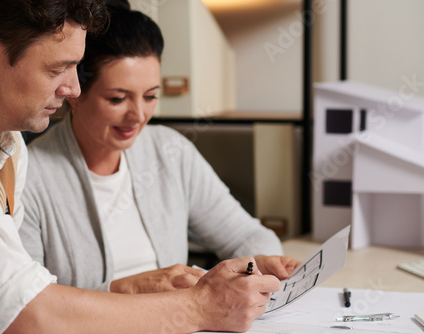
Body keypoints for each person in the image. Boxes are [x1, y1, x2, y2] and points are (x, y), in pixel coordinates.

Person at [0, 0, 281, 333]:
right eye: (58, 69)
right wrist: (200, 306)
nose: (74, 88)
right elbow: (25, 311)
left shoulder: (8, 143)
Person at [19, 0, 301, 296]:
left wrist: (259, 263)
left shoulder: (170, 152)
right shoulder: (30, 177)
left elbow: (247, 234)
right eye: (118, 99)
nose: (138, 115)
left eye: (151, 96)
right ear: (75, 92)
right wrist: (126, 289)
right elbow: (31, 307)